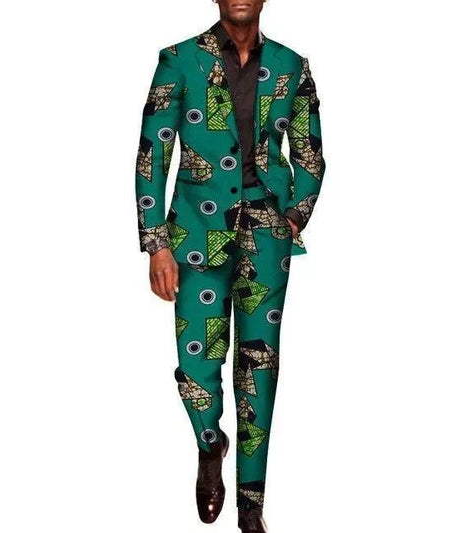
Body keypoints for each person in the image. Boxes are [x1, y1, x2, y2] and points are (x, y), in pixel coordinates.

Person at [135, 1, 325, 530]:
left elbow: (309, 151)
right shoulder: (179, 59)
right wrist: (156, 244)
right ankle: (209, 444)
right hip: (196, 235)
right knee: (196, 365)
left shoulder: (291, 65)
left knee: (258, 368)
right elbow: (153, 153)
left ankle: (252, 505)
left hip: (267, 235)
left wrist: (294, 215)